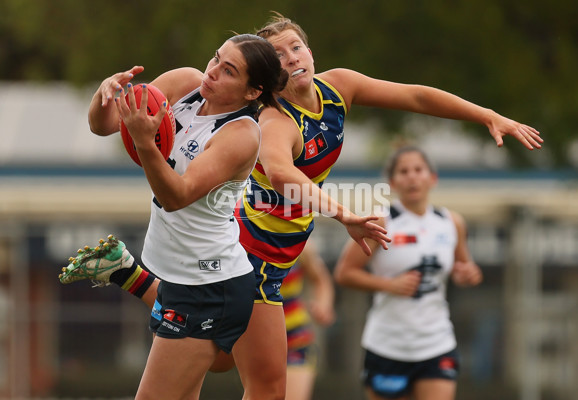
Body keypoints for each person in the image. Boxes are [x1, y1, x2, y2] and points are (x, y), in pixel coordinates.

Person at [60, 12, 542, 400]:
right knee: (255, 377)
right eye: (279, 55)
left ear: (309, 49)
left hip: (278, 252)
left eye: (296, 45)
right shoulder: (269, 122)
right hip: (249, 250)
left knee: (245, 371)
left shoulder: (338, 87)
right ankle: (138, 277)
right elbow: (285, 173)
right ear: (265, 81)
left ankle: (135, 276)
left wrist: (486, 114)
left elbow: (413, 94)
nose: (292, 58)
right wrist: (344, 212)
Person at [59, 33, 288, 399]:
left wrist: (145, 143)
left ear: (251, 92)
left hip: (208, 286)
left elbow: (176, 196)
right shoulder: (185, 83)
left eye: (228, 71)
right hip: (183, 276)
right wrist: (105, 94)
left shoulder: (241, 134)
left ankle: (129, 274)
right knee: (214, 367)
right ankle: (130, 274)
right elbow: (102, 125)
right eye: (216, 58)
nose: (212, 71)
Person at [334, 145, 483, 400]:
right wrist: (387, 285)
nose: (412, 177)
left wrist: (468, 275)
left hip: (436, 342)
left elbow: (464, 268)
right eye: (403, 171)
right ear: (392, 182)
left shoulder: (451, 222)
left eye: (418, 170)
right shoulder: (380, 222)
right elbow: (344, 273)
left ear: (432, 178)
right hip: (388, 343)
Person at [281, 241, 335, 400]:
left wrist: (324, 306)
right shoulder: (239, 234)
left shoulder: (298, 240)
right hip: (254, 339)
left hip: (294, 337)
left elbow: (321, 280)